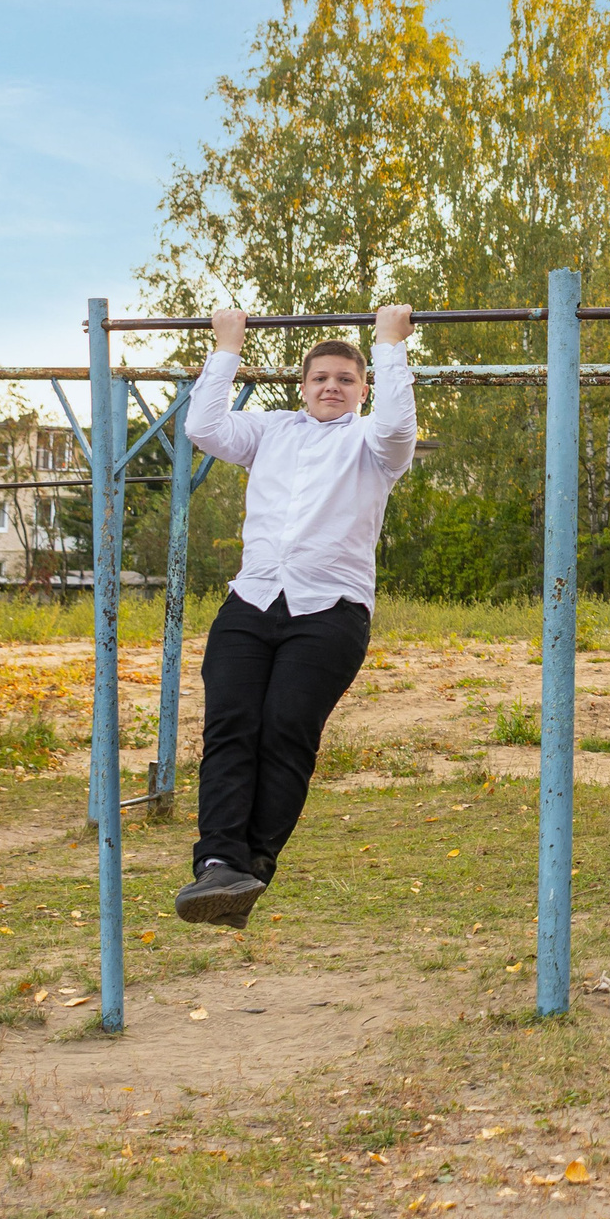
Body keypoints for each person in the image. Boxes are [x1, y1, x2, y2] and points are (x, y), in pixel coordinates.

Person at [173, 304, 417, 929]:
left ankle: (254, 861)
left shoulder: (374, 444)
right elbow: (203, 426)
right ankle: (218, 865)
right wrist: (227, 346)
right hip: (251, 600)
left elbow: (395, 423)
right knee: (230, 725)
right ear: (301, 386)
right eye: (320, 378)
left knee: (284, 727)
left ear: (362, 389)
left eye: (345, 379)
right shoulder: (270, 431)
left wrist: (389, 344)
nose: (331, 386)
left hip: (329, 611)